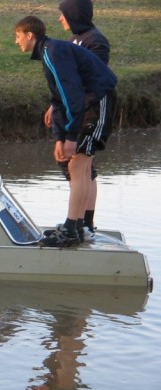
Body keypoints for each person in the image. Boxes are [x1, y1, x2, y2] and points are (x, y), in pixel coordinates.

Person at [14, 15, 117, 247]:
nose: (16, 41)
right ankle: (76, 226)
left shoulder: (53, 51)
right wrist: (60, 138)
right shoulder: (49, 52)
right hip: (89, 102)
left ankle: (74, 229)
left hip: (99, 101)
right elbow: (58, 97)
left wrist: (70, 137)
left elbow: (72, 96)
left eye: (17, 36)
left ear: (30, 35)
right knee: (76, 164)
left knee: (79, 164)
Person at [43, 0, 111, 240]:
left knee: (81, 165)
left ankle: (83, 224)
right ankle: (80, 223)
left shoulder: (96, 40)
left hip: (92, 107)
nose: (61, 19)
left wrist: (74, 106)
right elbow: (67, 79)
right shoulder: (72, 40)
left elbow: (95, 78)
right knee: (80, 167)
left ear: (74, 14)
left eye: (63, 15)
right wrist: (56, 104)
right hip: (76, 107)